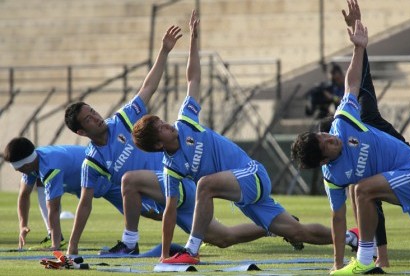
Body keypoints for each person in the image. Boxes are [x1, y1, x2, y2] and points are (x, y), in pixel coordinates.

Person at [131, 10, 358, 265]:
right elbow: (170, 210)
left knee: (203, 185)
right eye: (161, 128)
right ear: (159, 144)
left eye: (162, 121)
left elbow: (193, 79)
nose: (167, 125)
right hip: (244, 195)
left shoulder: (186, 122)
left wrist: (193, 41)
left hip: (252, 174)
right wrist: (163, 254)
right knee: (297, 231)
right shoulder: (171, 167)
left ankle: (191, 250)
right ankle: (352, 238)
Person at [64, 23, 274, 257]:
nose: (96, 117)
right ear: (81, 133)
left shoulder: (121, 121)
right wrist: (72, 245)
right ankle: (272, 227)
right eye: (89, 119)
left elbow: (148, 87)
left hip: (176, 183)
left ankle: (129, 244)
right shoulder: (92, 163)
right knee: (223, 238)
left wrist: (164, 51)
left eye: (93, 111)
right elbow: (84, 204)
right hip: (167, 199)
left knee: (129, 180)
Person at [291, 18, 410, 274]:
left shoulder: (344, 121)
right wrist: (337, 265)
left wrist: (359, 48)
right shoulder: (333, 176)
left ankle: (364, 257)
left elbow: (353, 83)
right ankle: (366, 257)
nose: (330, 138)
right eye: (325, 143)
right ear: (323, 162)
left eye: (324, 136)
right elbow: (338, 218)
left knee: (361, 190)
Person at [3, 137, 84, 250]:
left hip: (101, 169)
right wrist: (22, 226)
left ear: (26, 165)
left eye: (20, 169)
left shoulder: (50, 168)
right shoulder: (34, 161)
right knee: (40, 181)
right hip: (80, 174)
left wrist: (55, 247)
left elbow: (53, 209)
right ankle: (55, 237)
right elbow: (24, 194)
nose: (19, 172)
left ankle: (56, 241)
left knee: (115, 197)